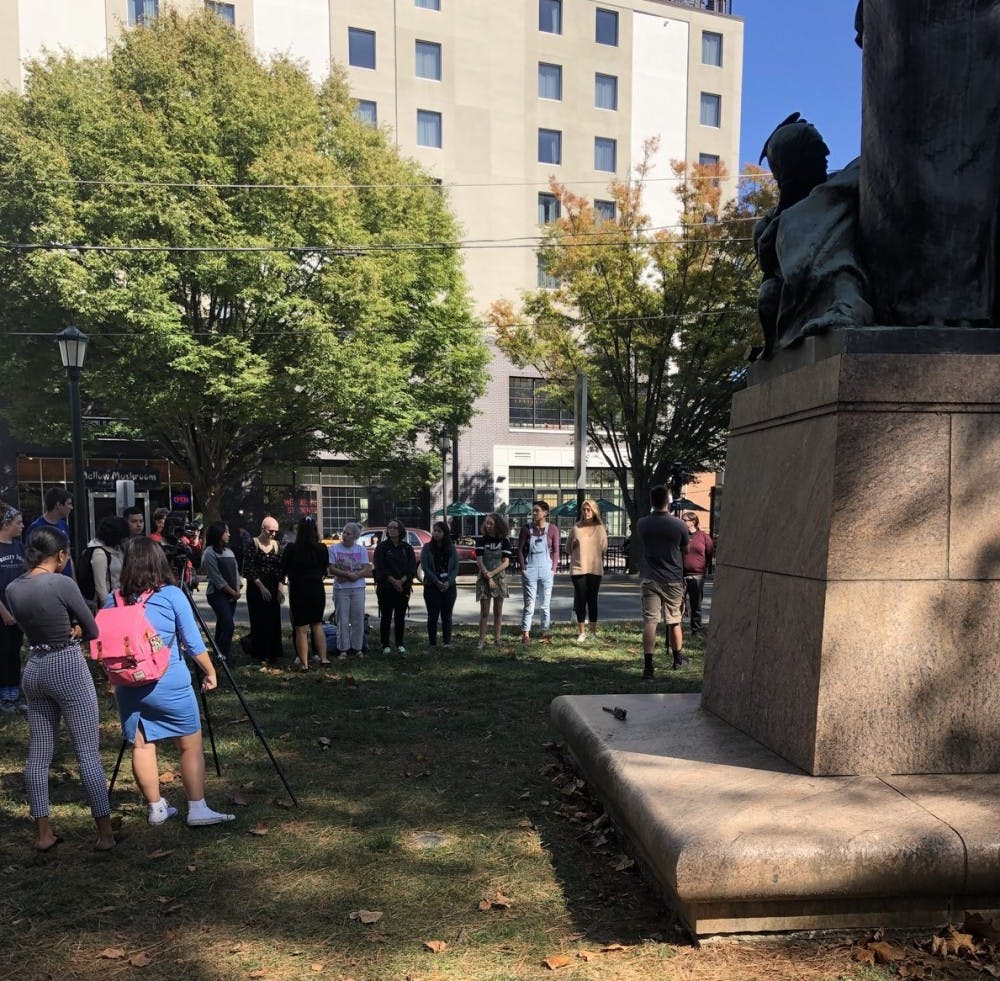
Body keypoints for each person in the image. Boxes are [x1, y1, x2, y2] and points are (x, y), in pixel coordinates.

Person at [107, 538, 234, 827]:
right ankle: (197, 807)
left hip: (128, 684)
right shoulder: (172, 596)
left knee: (141, 746)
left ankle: (156, 807)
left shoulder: (113, 599)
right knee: (189, 746)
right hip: (170, 683)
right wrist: (211, 671)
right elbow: (192, 643)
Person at [5, 527, 116, 851]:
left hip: (34, 667)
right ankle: (105, 833)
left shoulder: (13, 588)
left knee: (38, 755)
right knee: (87, 753)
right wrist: (77, 627)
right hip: (66, 664)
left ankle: (43, 833)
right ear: (62, 555)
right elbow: (93, 628)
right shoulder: (61, 583)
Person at [636, 485, 690, 680]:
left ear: (652, 501)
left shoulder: (642, 523)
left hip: (650, 576)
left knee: (650, 622)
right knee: (674, 620)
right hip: (673, 578)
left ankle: (648, 667)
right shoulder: (679, 525)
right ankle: (677, 659)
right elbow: (686, 549)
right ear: (667, 500)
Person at [281, 515, 329, 670]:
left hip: (298, 590)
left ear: (299, 531)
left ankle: (304, 663)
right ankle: (323, 658)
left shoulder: (291, 549)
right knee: (317, 625)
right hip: (316, 589)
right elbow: (324, 570)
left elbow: (283, 570)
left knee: (301, 628)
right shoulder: (322, 548)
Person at [243, 516, 285, 666]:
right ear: (262, 529)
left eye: (275, 531)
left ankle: (274, 652)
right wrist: (261, 587)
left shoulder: (278, 546)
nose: (273, 534)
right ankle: (260, 652)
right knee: (259, 620)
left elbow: (281, 569)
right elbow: (248, 569)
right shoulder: (252, 544)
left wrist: (280, 589)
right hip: (256, 588)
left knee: (274, 620)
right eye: (270, 531)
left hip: (273, 586)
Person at [517, 501, 559, 645]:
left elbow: (556, 550)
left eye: (537, 511)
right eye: (533, 511)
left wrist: (553, 568)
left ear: (545, 512)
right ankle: (526, 634)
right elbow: (520, 550)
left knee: (545, 604)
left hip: (546, 571)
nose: (534, 513)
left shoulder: (552, 529)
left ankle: (545, 632)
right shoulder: (526, 529)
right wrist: (523, 568)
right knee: (529, 604)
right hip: (531, 570)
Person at [566, 499, 609, 643]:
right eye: (584, 509)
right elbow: (567, 549)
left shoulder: (600, 528)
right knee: (580, 599)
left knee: (593, 600)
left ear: (594, 511)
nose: (586, 512)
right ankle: (581, 632)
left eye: (589, 509)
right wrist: (573, 545)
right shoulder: (576, 527)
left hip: (595, 568)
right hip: (578, 568)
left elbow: (603, 548)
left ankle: (593, 632)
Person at [373, 520, 417, 655]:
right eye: (389, 527)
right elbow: (380, 568)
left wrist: (402, 581)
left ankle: (399, 643)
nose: (391, 529)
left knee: (400, 617)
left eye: (394, 527)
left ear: (400, 530)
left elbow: (411, 568)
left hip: (403, 588)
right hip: (386, 587)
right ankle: (385, 644)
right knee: (386, 616)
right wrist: (393, 581)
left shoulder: (407, 548)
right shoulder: (382, 548)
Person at [328, 522, 371, 660]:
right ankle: (343, 649)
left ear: (355, 536)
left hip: (358, 588)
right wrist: (347, 575)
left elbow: (366, 568)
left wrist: (355, 576)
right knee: (342, 619)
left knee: (357, 619)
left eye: (348, 533)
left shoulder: (361, 550)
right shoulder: (334, 548)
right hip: (341, 589)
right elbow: (331, 568)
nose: (345, 535)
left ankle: (357, 648)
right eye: (344, 532)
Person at [199, 521, 241, 661]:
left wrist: (238, 587)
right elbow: (216, 578)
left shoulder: (229, 551)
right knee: (229, 625)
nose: (229, 534)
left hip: (232, 594)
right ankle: (224, 655)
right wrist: (232, 592)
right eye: (226, 531)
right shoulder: (209, 552)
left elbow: (235, 571)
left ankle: (218, 653)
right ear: (218, 533)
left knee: (223, 624)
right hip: (217, 594)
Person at [0, 502, 27, 712]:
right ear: (6, 523)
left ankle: (14, 693)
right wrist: (4, 611)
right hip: (3, 611)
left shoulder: (19, 546)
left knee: (14, 651)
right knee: (3, 651)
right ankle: (4, 695)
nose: (22, 526)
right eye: (18, 522)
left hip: (17, 611)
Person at [475, 513, 512, 649]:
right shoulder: (481, 540)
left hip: (499, 578)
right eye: (486, 523)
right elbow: (479, 561)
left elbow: (506, 562)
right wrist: (487, 576)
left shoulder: (505, 541)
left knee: (498, 611)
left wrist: (493, 574)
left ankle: (497, 639)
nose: (487, 526)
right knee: (484, 612)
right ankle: (481, 640)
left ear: (498, 525)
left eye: (490, 523)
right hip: (484, 578)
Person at [421, 521, 458, 648]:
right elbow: (425, 567)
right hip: (432, 586)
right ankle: (432, 642)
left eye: (439, 531)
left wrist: (449, 581)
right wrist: (437, 582)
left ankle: (447, 641)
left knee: (447, 616)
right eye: (434, 530)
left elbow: (455, 568)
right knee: (433, 616)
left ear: (445, 533)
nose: (436, 533)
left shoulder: (451, 547)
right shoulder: (427, 547)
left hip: (449, 586)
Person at [24, 488, 74, 578]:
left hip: (65, 579)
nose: (71, 507)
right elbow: (31, 558)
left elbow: (68, 555)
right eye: (69, 504)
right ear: (58, 505)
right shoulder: (36, 527)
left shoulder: (64, 525)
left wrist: (73, 580)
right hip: (45, 581)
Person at [83, 515, 129, 610]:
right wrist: (108, 608)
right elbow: (100, 587)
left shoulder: (118, 549)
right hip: (108, 605)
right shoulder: (99, 554)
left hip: (119, 601)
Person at [681, 512, 714, 635]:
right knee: (678, 603)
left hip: (697, 576)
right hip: (681, 575)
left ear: (693, 522)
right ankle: (677, 629)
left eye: (684, 520)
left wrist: (702, 567)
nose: (682, 522)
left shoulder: (704, 537)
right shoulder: (681, 536)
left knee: (696, 604)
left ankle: (696, 630)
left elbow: (710, 554)